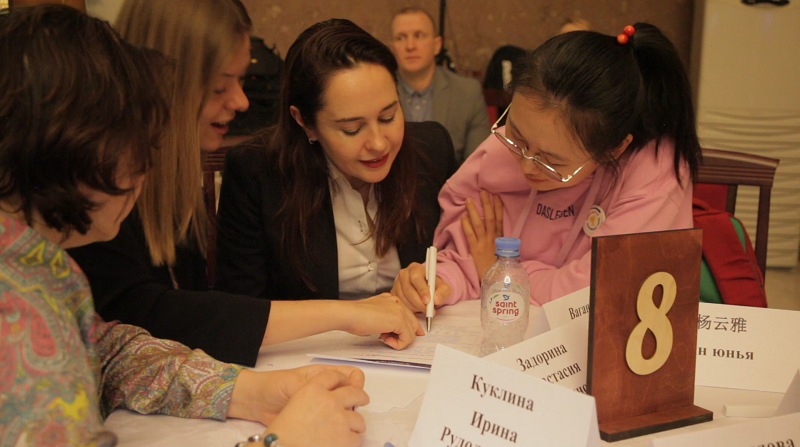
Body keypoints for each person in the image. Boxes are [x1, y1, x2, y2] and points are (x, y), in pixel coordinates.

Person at [0, 6, 368, 447]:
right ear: (73, 146)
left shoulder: (37, 263)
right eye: (135, 141)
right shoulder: (15, 312)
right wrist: (283, 442)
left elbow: (107, 352)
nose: (147, 162)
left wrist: (246, 390)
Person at [67, 0, 423, 367]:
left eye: (241, 80)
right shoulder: (97, 187)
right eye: (220, 87)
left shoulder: (174, 183)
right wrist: (346, 314)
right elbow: (144, 318)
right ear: (162, 82)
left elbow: (190, 326)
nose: (241, 102)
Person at [391, 23, 702, 311]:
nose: (527, 166)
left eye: (552, 161)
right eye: (517, 136)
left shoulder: (654, 173)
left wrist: (498, 273)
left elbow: (597, 294)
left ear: (613, 149)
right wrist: (438, 279)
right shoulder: (505, 149)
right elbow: (466, 253)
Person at [214, 19, 457, 304]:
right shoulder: (256, 172)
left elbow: (459, 259)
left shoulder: (432, 150)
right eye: (352, 129)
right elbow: (243, 309)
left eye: (388, 116)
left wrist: (445, 277)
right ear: (305, 122)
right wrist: (351, 316)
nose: (379, 143)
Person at [390, 6, 490, 164]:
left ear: (436, 45)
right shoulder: (378, 92)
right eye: (401, 38)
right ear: (392, 48)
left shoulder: (468, 93)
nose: (410, 46)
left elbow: (478, 163)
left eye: (419, 35)